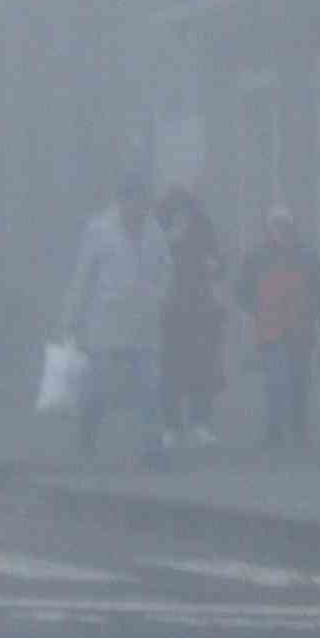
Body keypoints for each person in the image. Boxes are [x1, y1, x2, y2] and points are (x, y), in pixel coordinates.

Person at [61, 171, 173, 468]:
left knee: (150, 385)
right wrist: (70, 316)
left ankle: (153, 448)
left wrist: (159, 295)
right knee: (101, 385)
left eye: (144, 201)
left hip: (143, 321)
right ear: (122, 200)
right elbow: (83, 274)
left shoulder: (154, 230)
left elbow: (166, 267)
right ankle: (88, 433)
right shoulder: (99, 229)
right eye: (134, 200)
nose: (139, 207)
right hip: (106, 321)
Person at [235, 205, 320, 449]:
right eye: (276, 225)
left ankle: (298, 430)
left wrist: (313, 311)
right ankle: (275, 431)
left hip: (300, 330)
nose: (281, 231)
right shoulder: (257, 258)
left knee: (298, 380)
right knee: (275, 380)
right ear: (268, 229)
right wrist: (255, 311)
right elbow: (241, 289)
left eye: (285, 226)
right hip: (270, 330)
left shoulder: (307, 257)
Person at [155, 186, 226, 448]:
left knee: (202, 369)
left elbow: (219, 262)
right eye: (177, 209)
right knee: (171, 370)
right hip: (170, 309)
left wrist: (216, 265)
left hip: (200, 308)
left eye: (186, 209)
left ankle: (199, 423)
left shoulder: (203, 227)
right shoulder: (157, 230)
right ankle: (171, 426)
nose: (182, 215)